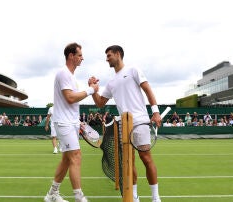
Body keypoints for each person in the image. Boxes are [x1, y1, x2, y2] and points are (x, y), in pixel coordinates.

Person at [89, 45, 162, 202]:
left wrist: (155, 112)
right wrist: (93, 89)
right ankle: (134, 197)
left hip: (140, 122)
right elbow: (100, 103)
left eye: (109, 55)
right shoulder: (111, 82)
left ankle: (156, 198)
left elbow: (148, 90)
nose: (107, 58)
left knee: (146, 158)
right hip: (124, 124)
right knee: (129, 162)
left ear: (117, 54)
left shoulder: (133, 70)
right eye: (106, 56)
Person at [44, 42, 99, 202]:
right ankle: (79, 198)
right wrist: (91, 90)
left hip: (71, 123)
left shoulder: (72, 77)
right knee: (76, 156)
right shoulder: (63, 73)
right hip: (64, 123)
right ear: (71, 56)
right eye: (80, 55)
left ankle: (52, 194)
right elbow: (69, 98)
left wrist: (78, 121)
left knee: (67, 159)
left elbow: (73, 103)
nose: (82, 58)